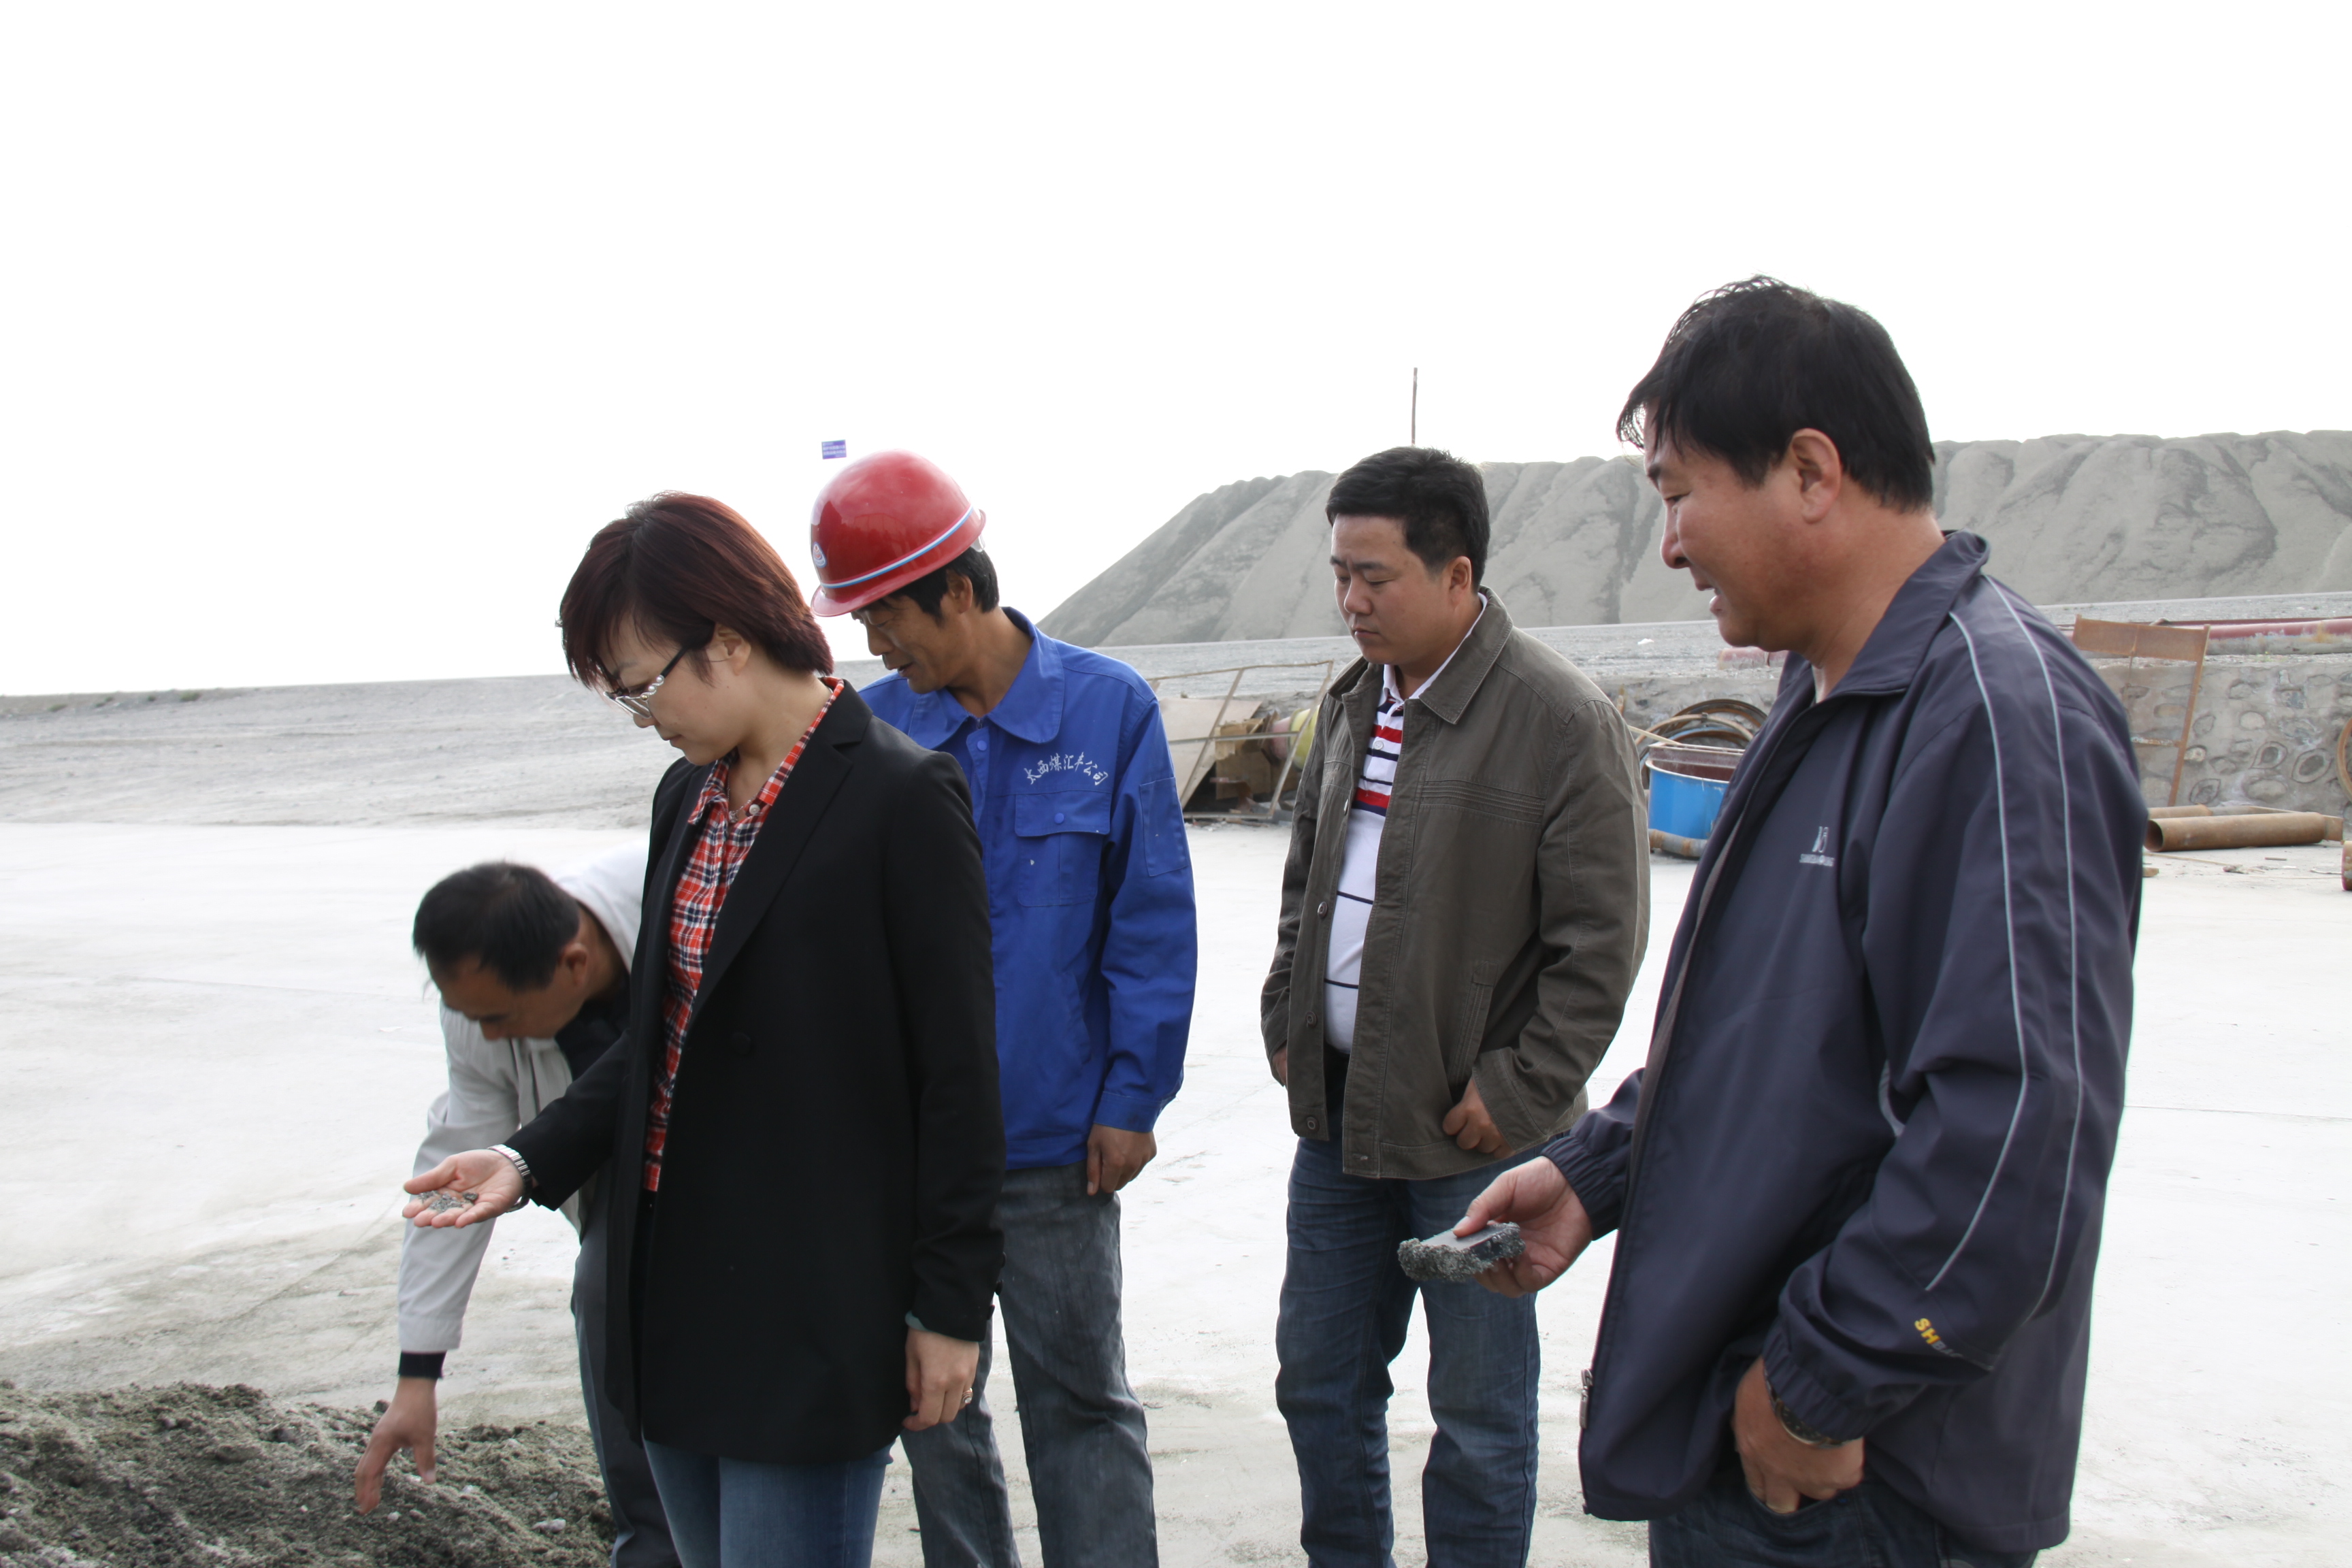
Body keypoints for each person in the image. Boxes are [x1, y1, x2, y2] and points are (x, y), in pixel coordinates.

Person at [1459, 279, 2144, 1566]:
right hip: (1748, 1407)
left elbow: (2016, 1130)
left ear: (1813, 472)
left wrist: (1825, 1379)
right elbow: (1775, 1029)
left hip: (1859, 1472)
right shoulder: (1822, 692)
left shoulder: (1995, 718)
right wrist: (1599, 1170)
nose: (1670, 545)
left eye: (1679, 493)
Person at [403, 492, 1005, 1568]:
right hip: (669, 1289)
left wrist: (951, 1309)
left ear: (726, 641)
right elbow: (662, 1035)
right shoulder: (685, 799)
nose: (647, 720)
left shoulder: (902, 796)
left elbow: (956, 1078)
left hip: (808, 1300)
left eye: (643, 688)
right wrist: (527, 1157)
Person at [1259, 445, 1650, 1567]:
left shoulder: (1558, 718)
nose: (1351, 600)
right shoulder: (1351, 702)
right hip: (1338, 1123)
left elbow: (1602, 941)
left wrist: (1517, 1089)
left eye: (1375, 576)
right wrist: (1288, 1010)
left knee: (1478, 1415)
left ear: (1457, 574)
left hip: (1475, 1137)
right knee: (1319, 1382)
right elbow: (1307, 880)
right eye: (1340, 574)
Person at [808, 450, 1196, 1568]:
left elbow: (1151, 919)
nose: (876, 644)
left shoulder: (1109, 708)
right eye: (861, 621)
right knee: (933, 1407)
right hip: (909, 1154)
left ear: (960, 590)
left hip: (1055, 1140)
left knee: (1081, 1401)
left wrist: (1133, 1097)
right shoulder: (865, 729)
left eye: (886, 617)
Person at [355, 850, 677, 1568]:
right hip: (621, 1195)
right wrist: (417, 1374)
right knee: (605, 1293)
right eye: (471, 1017)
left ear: (573, 965)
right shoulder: (481, 1020)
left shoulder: (671, 895)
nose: (489, 1036)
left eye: (498, 1017)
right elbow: (453, 1182)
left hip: (749, 1173)